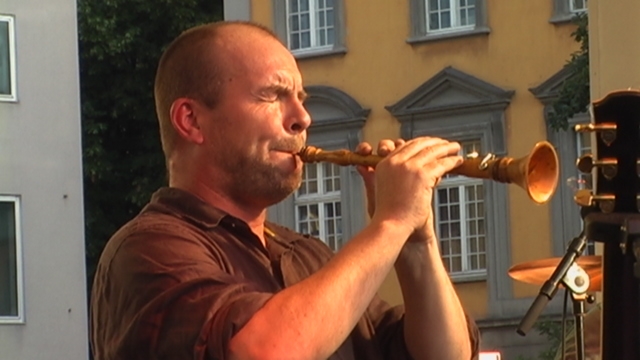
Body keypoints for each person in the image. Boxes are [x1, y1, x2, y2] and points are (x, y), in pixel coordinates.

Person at [90, 20, 480, 360]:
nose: (302, 118)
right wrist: (392, 221)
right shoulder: (149, 247)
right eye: (272, 95)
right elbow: (264, 351)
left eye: (301, 99)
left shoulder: (308, 256)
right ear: (191, 121)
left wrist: (416, 240)